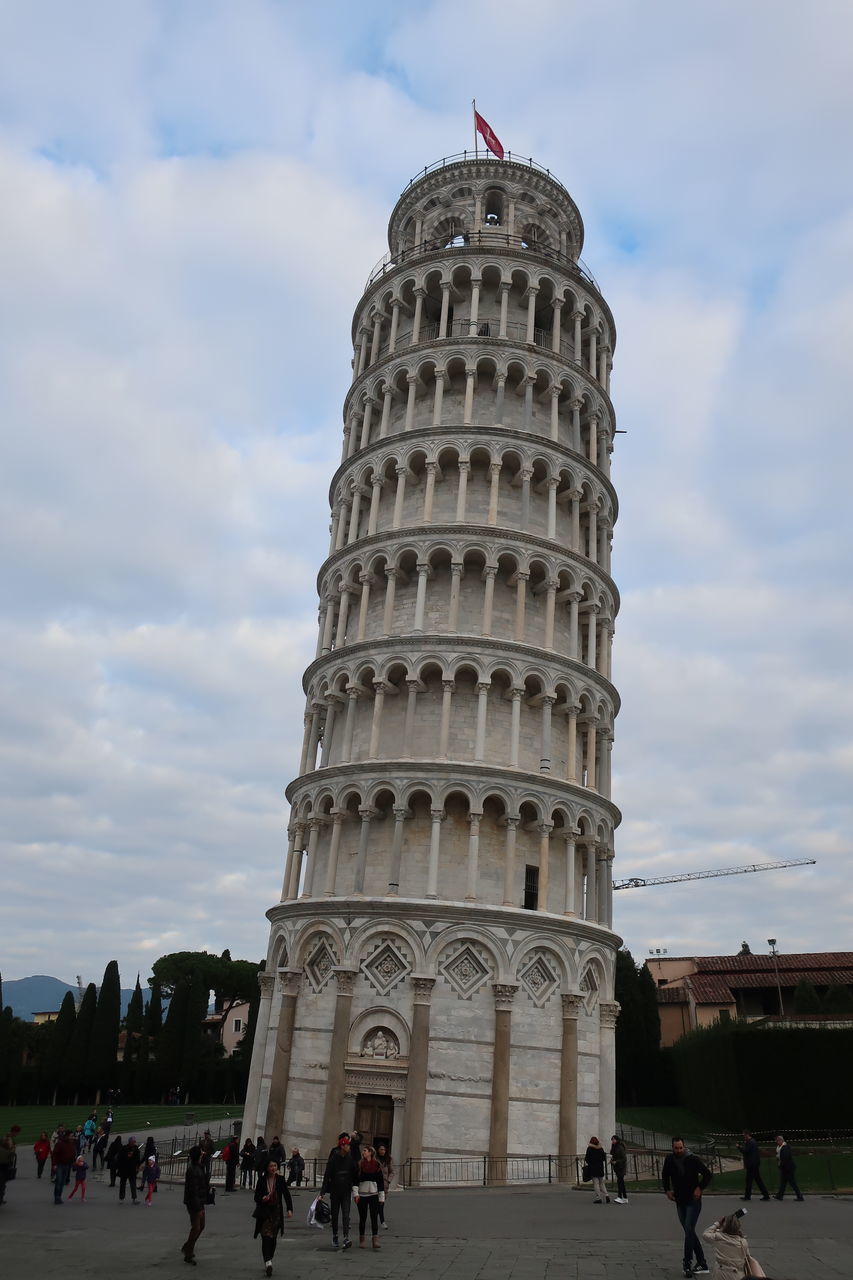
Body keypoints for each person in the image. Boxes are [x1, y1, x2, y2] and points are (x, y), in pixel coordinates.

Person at [661, 1136, 712, 1277]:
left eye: (680, 1148)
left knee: (689, 1228)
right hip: (679, 1200)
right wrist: (667, 1190)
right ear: (672, 1148)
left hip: (693, 1200)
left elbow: (707, 1174)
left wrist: (699, 1188)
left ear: (684, 1147)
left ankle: (687, 1263)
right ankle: (702, 1263)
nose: (678, 1150)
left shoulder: (692, 1159)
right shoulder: (670, 1159)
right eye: (676, 1148)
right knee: (689, 1232)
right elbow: (665, 1175)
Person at [253, 1158, 294, 1276]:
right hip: (265, 1211)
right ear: (267, 1167)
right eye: (271, 1166)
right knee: (266, 1237)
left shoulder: (280, 1180)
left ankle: (269, 1257)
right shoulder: (261, 1180)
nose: (273, 1168)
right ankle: (268, 1262)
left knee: (273, 1238)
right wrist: (262, 1198)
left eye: (275, 1166)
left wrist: (289, 1209)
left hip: (276, 1211)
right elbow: (256, 1197)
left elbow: (286, 1195)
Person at [702, 1212, 766, 1279]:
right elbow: (747, 1257)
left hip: (721, 1273)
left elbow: (705, 1234)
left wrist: (717, 1224)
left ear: (724, 1226)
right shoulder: (742, 1242)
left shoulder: (718, 1237)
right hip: (737, 1274)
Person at [321, 1132, 357, 1250]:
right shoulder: (334, 1158)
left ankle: (346, 1237)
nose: (349, 1147)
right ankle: (335, 1235)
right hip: (335, 1190)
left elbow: (354, 1173)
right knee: (335, 1215)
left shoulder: (350, 1158)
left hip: (346, 1190)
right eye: (347, 1145)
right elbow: (327, 1175)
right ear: (342, 1146)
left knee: (346, 1214)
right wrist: (322, 1192)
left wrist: (355, 1188)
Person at [354, 1145, 385, 1250]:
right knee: (362, 1218)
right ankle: (362, 1239)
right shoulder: (359, 1165)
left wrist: (381, 1197)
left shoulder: (376, 1165)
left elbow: (380, 1182)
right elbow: (355, 1180)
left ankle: (375, 1239)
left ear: (371, 1152)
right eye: (363, 1151)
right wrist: (355, 1194)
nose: (363, 1152)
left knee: (373, 1217)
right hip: (362, 1194)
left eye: (365, 1151)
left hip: (373, 1194)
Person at [181, 1145, 207, 1267]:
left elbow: (200, 1186)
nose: (203, 1154)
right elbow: (193, 1191)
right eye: (201, 1152)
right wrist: (199, 1208)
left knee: (201, 1226)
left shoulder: (199, 1168)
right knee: (196, 1227)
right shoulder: (192, 1170)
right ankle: (188, 1253)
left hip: (199, 1202)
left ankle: (187, 1246)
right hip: (194, 1204)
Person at [737, 1131, 770, 1201]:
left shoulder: (750, 1142)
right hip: (754, 1163)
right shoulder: (753, 1141)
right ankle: (765, 1195)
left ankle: (748, 1196)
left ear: (747, 1135)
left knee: (749, 1180)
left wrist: (739, 1147)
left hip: (751, 1164)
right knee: (757, 1180)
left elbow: (746, 1151)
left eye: (744, 1136)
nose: (744, 1137)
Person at [774, 1135, 804, 1200]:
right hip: (786, 1168)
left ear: (781, 1140)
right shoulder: (782, 1147)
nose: (777, 1142)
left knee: (792, 1183)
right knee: (783, 1182)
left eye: (777, 1141)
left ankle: (800, 1196)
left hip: (788, 1168)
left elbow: (785, 1158)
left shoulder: (785, 1148)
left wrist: (781, 1165)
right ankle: (780, 1196)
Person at [52, 1128, 76, 1205]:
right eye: (71, 1136)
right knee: (59, 1181)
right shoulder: (60, 1143)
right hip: (59, 1164)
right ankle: (57, 1197)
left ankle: (59, 1196)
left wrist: (73, 1163)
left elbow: (72, 1154)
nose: (73, 1137)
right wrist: (54, 1164)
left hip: (67, 1165)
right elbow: (54, 1155)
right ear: (67, 1136)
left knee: (62, 1182)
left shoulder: (71, 1144)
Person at [584, 1135, 609, 1203]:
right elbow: (604, 1158)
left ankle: (598, 1198)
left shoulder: (589, 1148)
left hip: (593, 1168)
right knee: (601, 1182)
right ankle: (607, 1195)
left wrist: (591, 1161)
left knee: (596, 1183)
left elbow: (587, 1159)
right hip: (600, 1167)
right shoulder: (600, 1148)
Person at [375, 1142, 394, 1229]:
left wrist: (388, 1181)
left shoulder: (388, 1159)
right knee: (377, 1203)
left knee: (381, 1203)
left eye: (384, 1150)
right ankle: (380, 1221)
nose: (383, 1151)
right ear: (378, 1150)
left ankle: (381, 1221)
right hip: (375, 1184)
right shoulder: (375, 1159)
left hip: (384, 1184)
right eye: (381, 1149)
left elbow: (392, 1171)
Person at [117, 1136, 141, 1203]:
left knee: (133, 1184)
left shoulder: (136, 1149)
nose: (134, 1143)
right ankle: (121, 1198)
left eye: (134, 1141)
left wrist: (138, 1166)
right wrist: (127, 1156)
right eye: (133, 1141)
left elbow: (138, 1159)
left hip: (132, 1169)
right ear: (130, 1142)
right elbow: (120, 1158)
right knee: (122, 1184)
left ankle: (134, 1198)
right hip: (124, 1169)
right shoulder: (124, 1148)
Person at [610, 1134, 628, 1204]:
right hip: (617, 1167)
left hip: (621, 1167)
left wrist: (616, 1161)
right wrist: (612, 1160)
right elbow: (614, 1155)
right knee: (621, 1182)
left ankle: (620, 1197)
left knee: (620, 1182)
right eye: (612, 1140)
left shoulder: (620, 1147)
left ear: (617, 1140)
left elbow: (624, 1158)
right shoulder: (615, 1147)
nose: (612, 1141)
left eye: (613, 1139)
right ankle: (625, 1198)